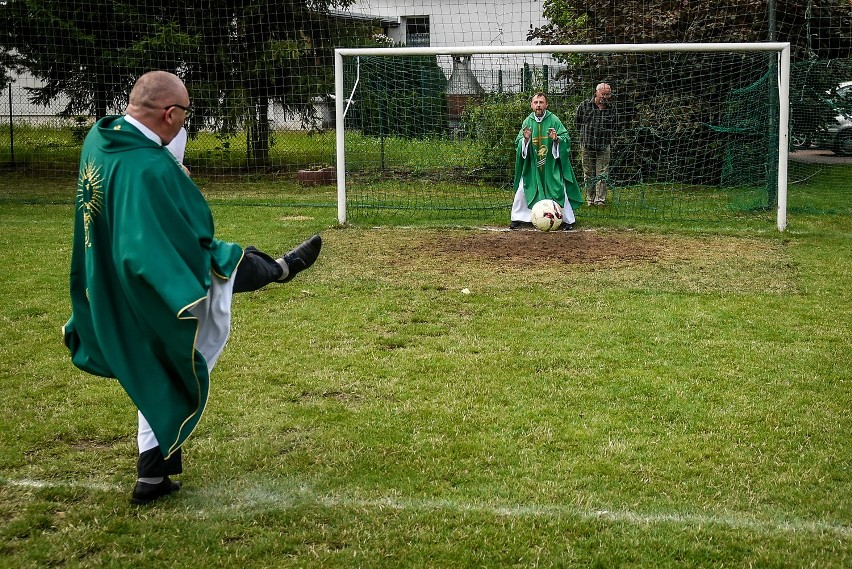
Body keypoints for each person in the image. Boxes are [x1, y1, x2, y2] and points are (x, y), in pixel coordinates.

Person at [62, 70, 323, 505]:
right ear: (169, 113)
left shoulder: (103, 138)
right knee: (208, 285)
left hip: (106, 271)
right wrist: (177, 178)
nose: (185, 122)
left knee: (154, 365)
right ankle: (279, 268)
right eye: (184, 115)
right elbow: (189, 232)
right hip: (145, 277)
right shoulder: (150, 168)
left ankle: (152, 477)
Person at [510, 92, 583, 230]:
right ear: (531, 105)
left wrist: (556, 139)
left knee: (559, 189)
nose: (538, 105)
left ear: (546, 105)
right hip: (532, 166)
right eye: (536, 102)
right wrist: (525, 140)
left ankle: (568, 220)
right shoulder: (527, 122)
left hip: (550, 165)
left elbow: (565, 139)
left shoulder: (554, 120)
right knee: (522, 189)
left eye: (541, 102)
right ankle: (518, 217)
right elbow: (518, 144)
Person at [575, 82, 617, 207]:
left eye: (608, 94)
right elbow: (577, 122)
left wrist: (608, 138)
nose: (605, 97)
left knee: (602, 173)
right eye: (603, 94)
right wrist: (584, 136)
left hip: (604, 145)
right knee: (588, 173)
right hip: (587, 144)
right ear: (596, 92)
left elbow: (615, 126)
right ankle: (590, 199)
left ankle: (600, 200)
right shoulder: (584, 106)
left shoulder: (611, 108)